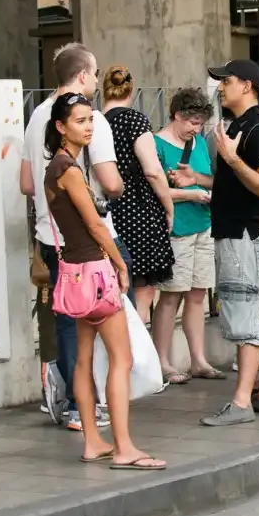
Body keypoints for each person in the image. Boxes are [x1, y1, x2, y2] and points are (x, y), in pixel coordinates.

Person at [43, 93, 165, 470]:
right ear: (62, 127)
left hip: (75, 273)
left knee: (83, 359)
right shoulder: (69, 169)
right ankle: (124, 446)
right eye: (80, 121)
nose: (89, 127)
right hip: (96, 271)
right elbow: (95, 224)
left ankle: (94, 442)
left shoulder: (57, 167)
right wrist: (120, 264)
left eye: (90, 120)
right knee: (121, 358)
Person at [19, 42, 123, 430]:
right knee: (101, 321)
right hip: (88, 239)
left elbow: (27, 183)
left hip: (51, 236)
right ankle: (89, 404)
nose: (97, 81)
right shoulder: (89, 117)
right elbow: (111, 183)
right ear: (82, 76)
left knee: (65, 319)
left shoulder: (37, 117)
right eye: (94, 74)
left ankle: (71, 403)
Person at [175, 60, 259, 426]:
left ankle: (241, 402)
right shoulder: (240, 124)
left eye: (227, 81)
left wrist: (232, 159)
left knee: (246, 313)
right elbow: (234, 186)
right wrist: (199, 178)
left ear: (247, 85)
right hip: (240, 230)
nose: (220, 87)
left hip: (243, 235)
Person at [152, 88, 225, 385]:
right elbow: (154, 192)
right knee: (171, 296)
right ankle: (162, 361)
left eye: (200, 123)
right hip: (176, 228)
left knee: (197, 295)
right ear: (177, 116)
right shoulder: (156, 144)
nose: (196, 129)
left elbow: (208, 178)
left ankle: (198, 359)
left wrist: (198, 186)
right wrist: (189, 193)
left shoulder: (197, 143)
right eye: (192, 122)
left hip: (202, 224)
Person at [101, 66, 175, 324]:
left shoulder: (96, 122)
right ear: (130, 90)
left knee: (115, 289)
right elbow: (153, 171)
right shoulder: (134, 121)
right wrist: (168, 207)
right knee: (142, 293)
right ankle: (137, 353)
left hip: (108, 212)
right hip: (139, 212)